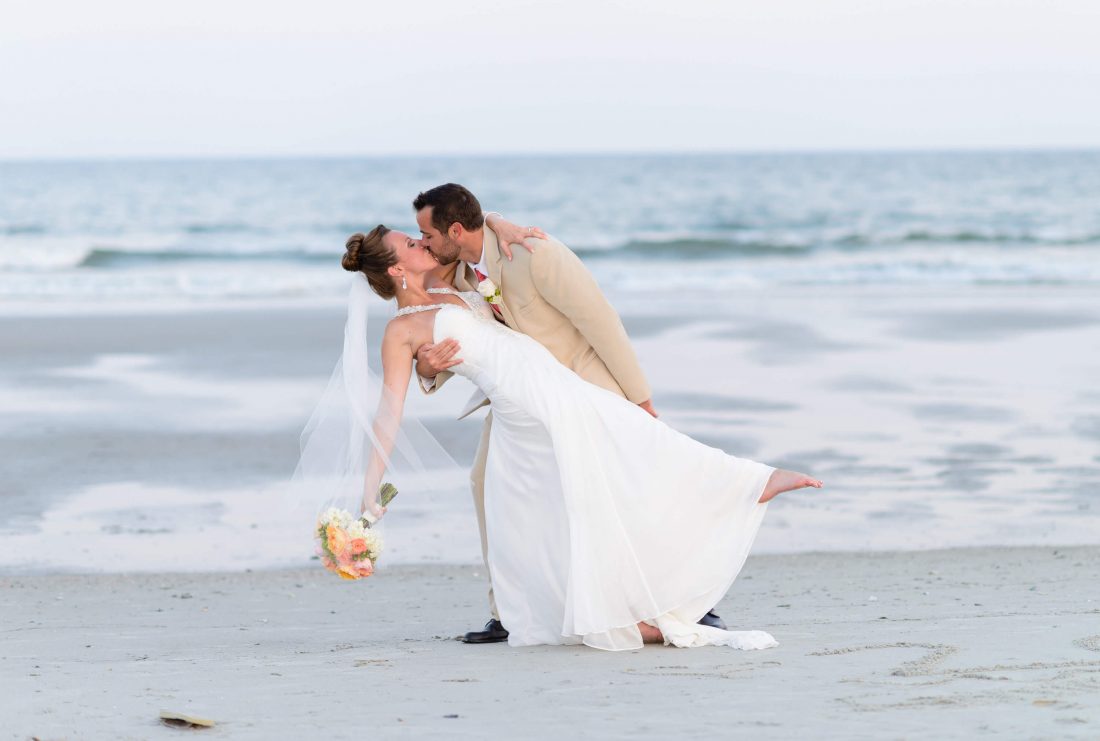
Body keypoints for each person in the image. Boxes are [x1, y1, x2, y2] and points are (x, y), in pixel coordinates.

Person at [340, 210, 822, 651]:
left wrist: (497, 222)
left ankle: (744, 489)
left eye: (421, 236)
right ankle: (738, 495)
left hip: (551, 382)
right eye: (412, 244)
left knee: (618, 462)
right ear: (397, 271)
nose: (424, 244)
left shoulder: (449, 282)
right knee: (587, 485)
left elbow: (462, 231)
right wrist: (369, 495)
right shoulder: (400, 333)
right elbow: (388, 412)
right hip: (529, 404)